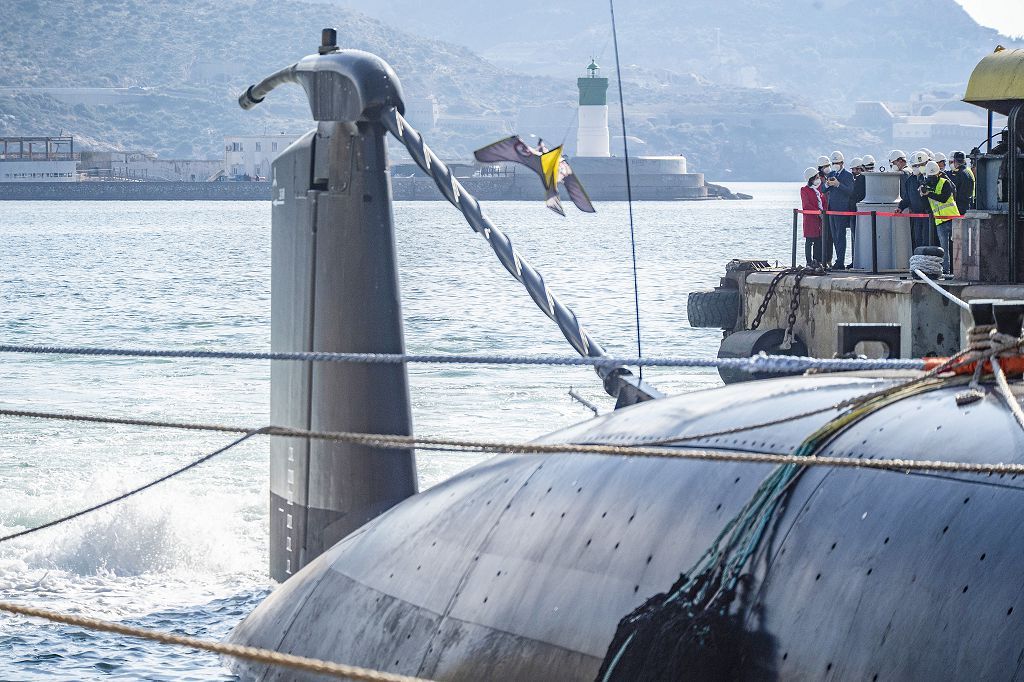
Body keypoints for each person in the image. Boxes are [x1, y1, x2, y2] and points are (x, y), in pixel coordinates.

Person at [920, 160, 959, 273]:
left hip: (952, 218)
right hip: (939, 221)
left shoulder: (945, 183)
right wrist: (922, 195)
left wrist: (928, 193)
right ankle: (946, 271)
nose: (931, 179)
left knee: (956, 247)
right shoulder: (926, 185)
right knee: (944, 249)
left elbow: (944, 198)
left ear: (938, 174)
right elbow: (926, 205)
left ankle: (956, 270)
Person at [822, 150, 855, 269]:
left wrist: (838, 185)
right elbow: (823, 189)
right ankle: (838, 260)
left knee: (840, 235)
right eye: (833, 162)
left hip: (842, 209)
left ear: (842, 162)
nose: (835, 164)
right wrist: (827, 184)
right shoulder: (831, 174)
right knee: (835, 236)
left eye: (837, 162)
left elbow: (850, 191)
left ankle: (840, 261)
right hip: (832, 210)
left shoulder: (848, 175)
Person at [895, 150, 931, 249]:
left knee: (928, 240)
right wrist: (901, 207)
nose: (915, 168)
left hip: (929, 216)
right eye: (914, 165)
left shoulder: (930, 178)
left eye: (917, 165)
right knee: (917, 240)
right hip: (916, 215)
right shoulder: (910, 180)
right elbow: (907, 198)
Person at [800, 166, 828, 265]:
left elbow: (824, 202)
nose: (818, 179)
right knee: (809, 241)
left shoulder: (819, 189)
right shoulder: (804, 190)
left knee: (818, 241)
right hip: (810, 220)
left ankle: (817, 261)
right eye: (816, 177)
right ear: (811, 179)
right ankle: (809, 261)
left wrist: (823, 211)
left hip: (819, 220)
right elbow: (806, 205)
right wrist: (818, 212)